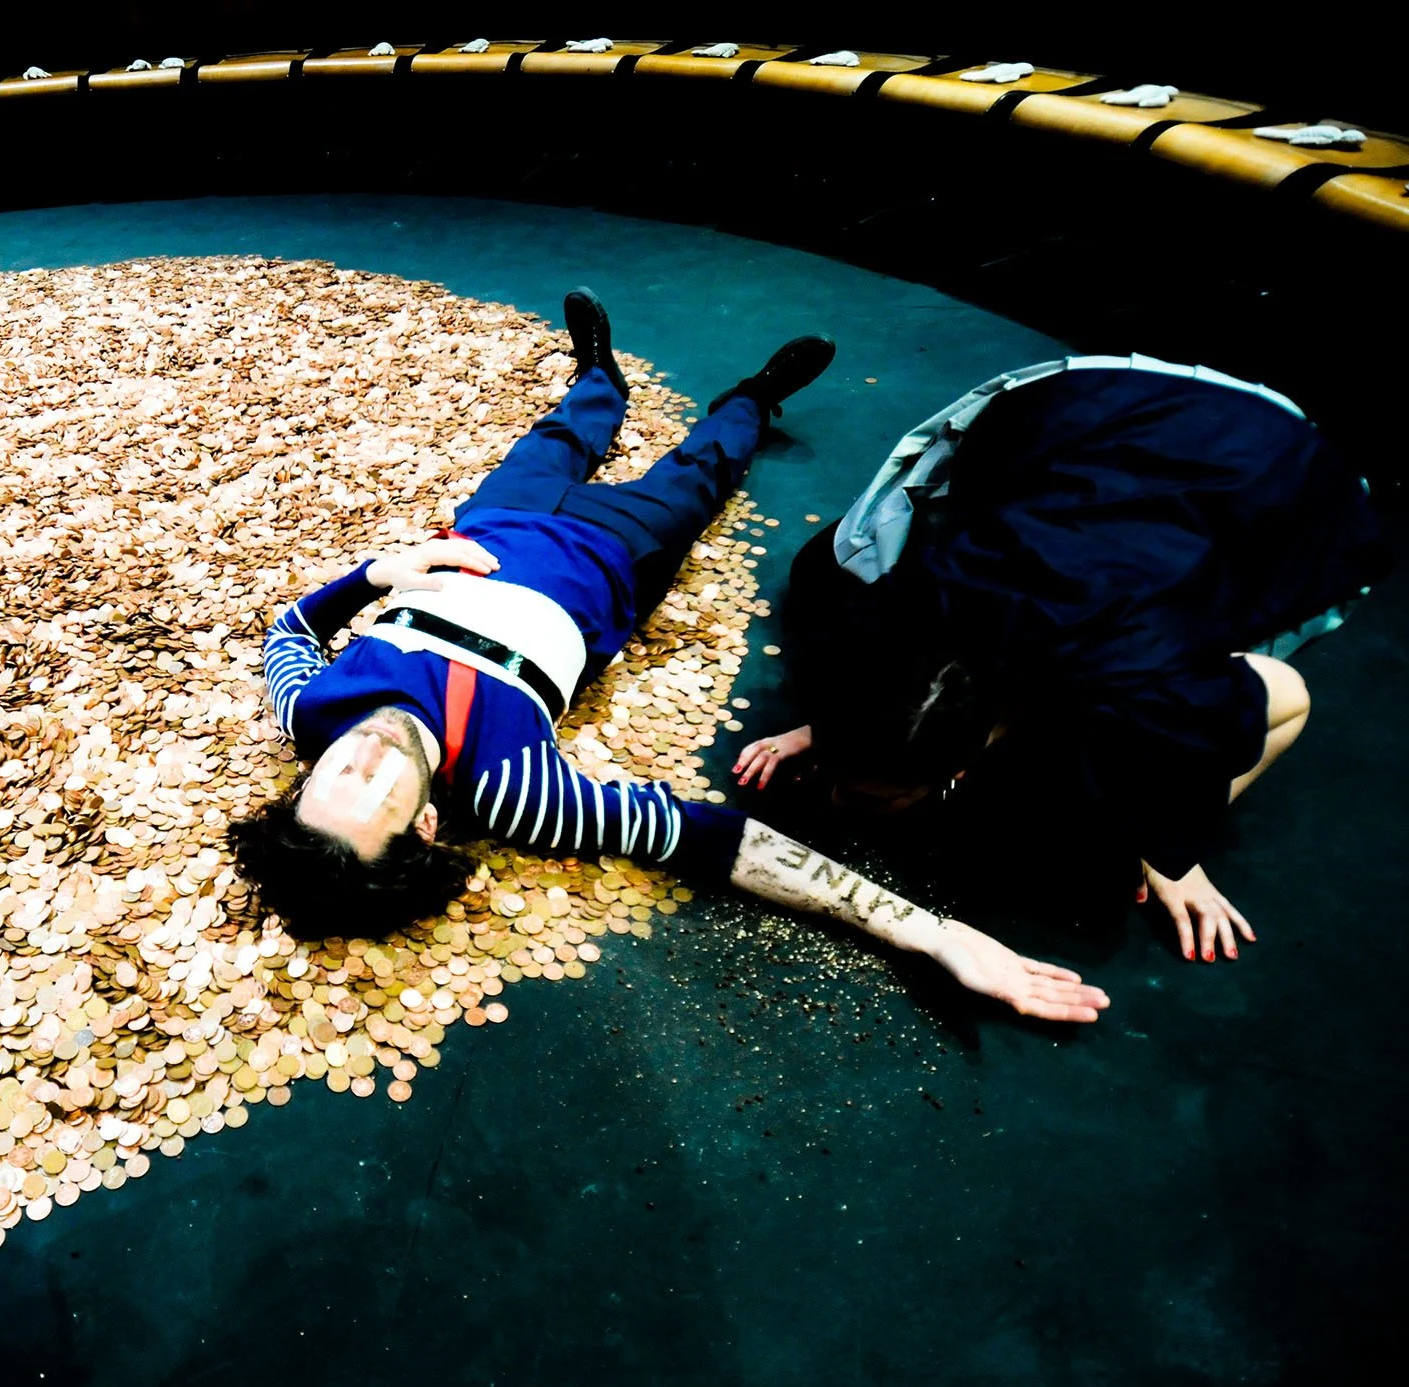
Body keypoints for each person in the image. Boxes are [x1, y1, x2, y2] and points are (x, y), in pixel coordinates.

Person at [230, 291, 1111, 1025]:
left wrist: (377, 573)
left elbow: (288, 636)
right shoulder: (514, 790)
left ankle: (598, 374)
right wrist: (931, 931)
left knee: (556, 437)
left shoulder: (312, 712)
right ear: (425, 825)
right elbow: (716, 840)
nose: (363, 756)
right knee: (701, 473)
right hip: (617, 553)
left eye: (329, 778)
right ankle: (758, 394)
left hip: (493, 522)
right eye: (378, 792)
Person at [734, 354, 1387, 963]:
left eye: (876, 796)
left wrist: (1169, 847)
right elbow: (885, 675)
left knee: (1093, 843)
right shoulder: (899, 600)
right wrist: (831, 728)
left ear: (959, 770)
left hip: (1278, 468)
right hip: (1093, 414)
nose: (839, 803)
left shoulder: (1141, 692)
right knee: (822, 571)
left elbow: (1291, 697)